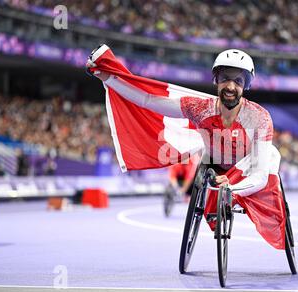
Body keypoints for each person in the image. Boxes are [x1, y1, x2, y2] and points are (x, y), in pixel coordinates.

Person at [87, 48, 274, 198]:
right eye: (225, 79)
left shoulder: (259, 118)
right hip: (215, 162)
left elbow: (260, 175)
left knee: (272, 211)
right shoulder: (200, 108)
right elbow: (148, 101)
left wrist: (233, 189)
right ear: (216, 80)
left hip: (248, 169)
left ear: (246, 85)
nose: (231, 87)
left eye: (238, 81)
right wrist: (109, 77)